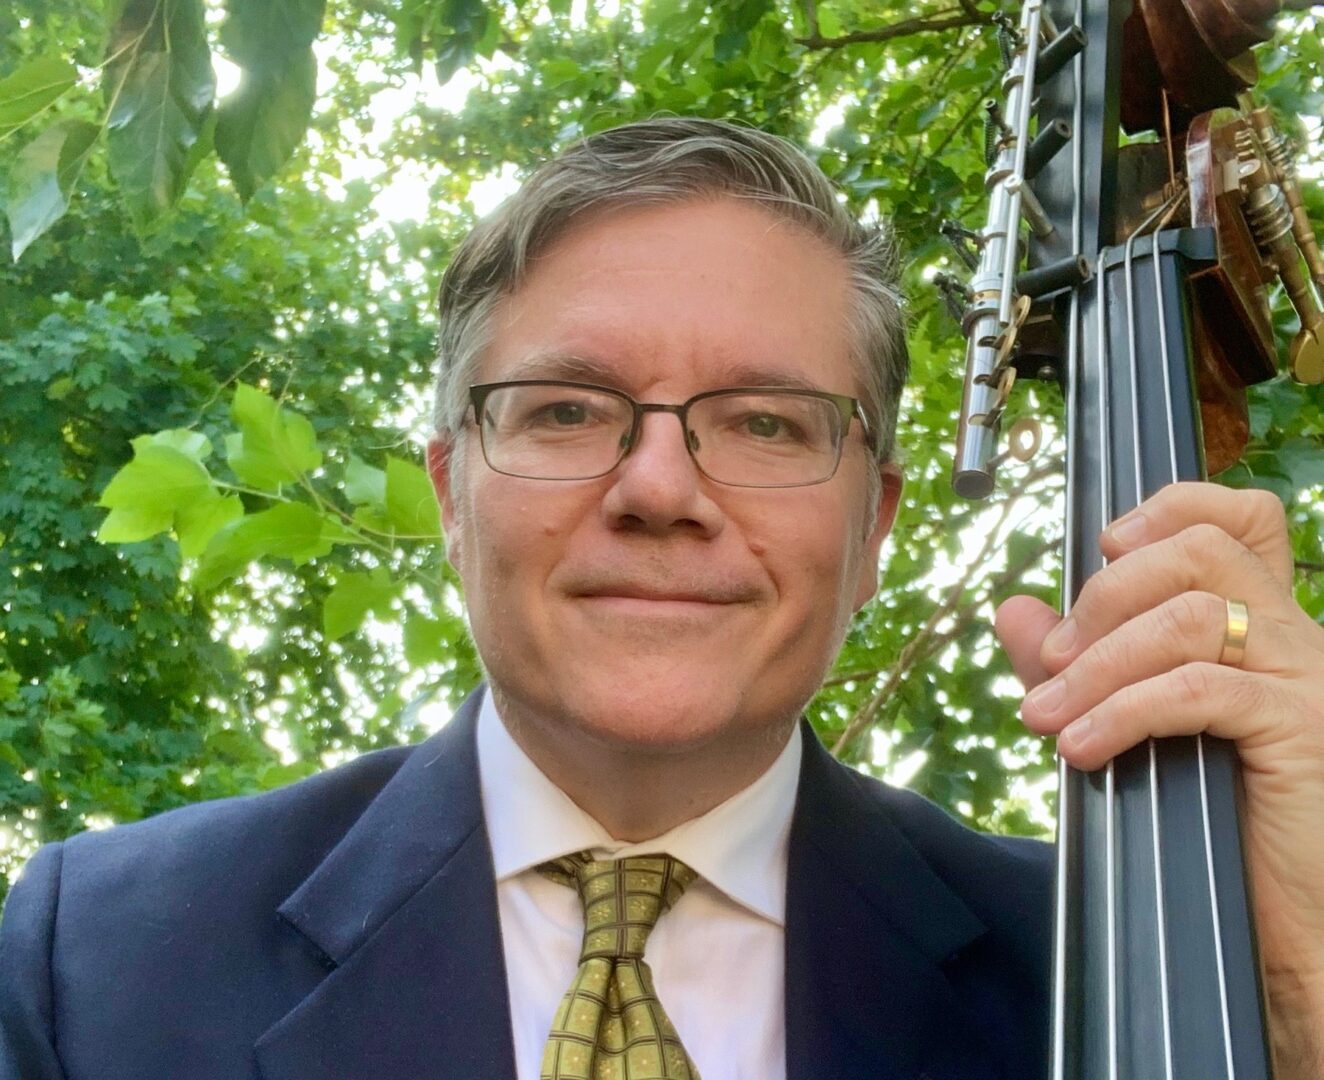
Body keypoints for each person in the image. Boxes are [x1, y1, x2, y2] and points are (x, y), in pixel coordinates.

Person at [1, 117, 1321, 1080]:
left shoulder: (1103, 976)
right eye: (569, 409)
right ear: (453, 494)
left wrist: (1307, 987)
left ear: (873, 529)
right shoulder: (98, 959)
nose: (659, 486)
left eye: (765, 422)